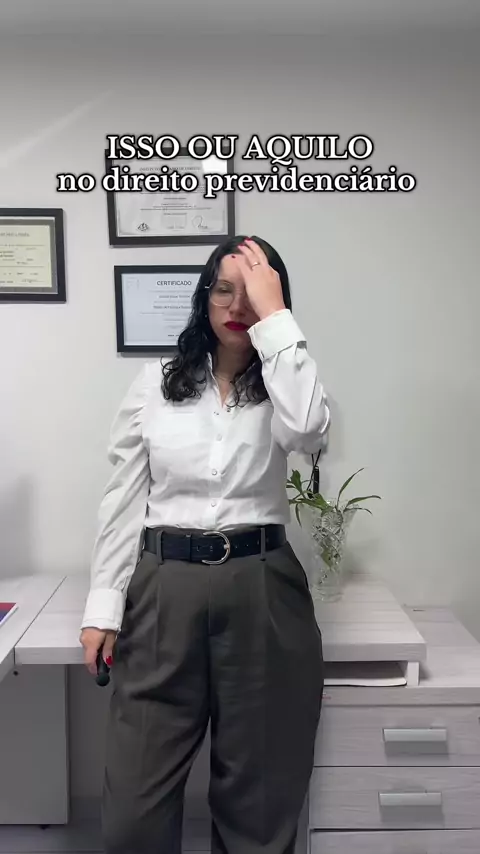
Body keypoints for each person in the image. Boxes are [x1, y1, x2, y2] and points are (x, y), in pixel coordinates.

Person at [80, 234, 331, 854]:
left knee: (259, 805)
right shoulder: (153, 385)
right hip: (164, 586)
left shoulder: (288, 382)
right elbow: (122, 500)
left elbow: (307, 432)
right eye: (224, 289)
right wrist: (102, 608)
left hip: (263, 586)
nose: (236, 305)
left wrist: (276, 320)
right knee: (133, 815)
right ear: (204, 297)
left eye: (253, 292)